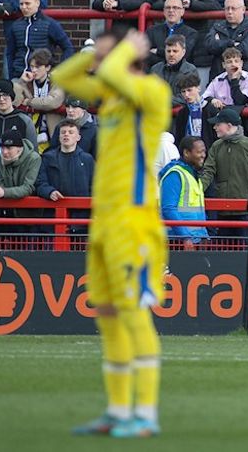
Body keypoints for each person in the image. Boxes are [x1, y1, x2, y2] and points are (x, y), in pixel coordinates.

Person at [55, 30, 172, 438]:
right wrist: (92, 53)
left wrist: (119, 52)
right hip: (104, 221)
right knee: (106, 315)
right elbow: (63, 77)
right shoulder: (114, 94)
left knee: (134, 313)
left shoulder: (151, 90)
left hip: (135, 222)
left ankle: (147, 415)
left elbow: (120, 76)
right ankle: (118, 411)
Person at [196, 106, 248, 240]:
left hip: (245, 210)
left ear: (229, 126)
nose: (215, 127)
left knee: (241, 250)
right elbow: (208, 171)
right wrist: (197, 189)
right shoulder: (216, 146)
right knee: (224, 251)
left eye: (218, 124)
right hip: (223, 209)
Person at [158, 136, 209, 247]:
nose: (203, 155)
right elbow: (168, 208)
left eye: (204, 151)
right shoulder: (175, 174)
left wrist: (203, 234)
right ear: (186, 153)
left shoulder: (193, 175)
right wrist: (185, 237)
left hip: (193, 238)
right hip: (177, 240)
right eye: (199, 152)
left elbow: (198, 208)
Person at [196, 0, 248, 77]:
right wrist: (231, 43)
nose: (230, 12)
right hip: (218, 78)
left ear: (243, 9)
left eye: (233, 8)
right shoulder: (217, 26)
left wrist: (220, 45)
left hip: (245, 79)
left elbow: (247, 51)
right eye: (227, 8)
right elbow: (209, 46)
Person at [13, 48, 67, 150]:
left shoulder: (57, 81)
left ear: (48, 67)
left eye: (37, 67)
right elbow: (14, 102)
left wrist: (29, 102)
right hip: (29, 132)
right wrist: (21, 82)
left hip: (51, 134)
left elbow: (52, 102)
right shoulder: (26, 82)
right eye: (32, 67)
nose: (33, 70)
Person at [36, 119, 95, 208]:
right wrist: (49, 192)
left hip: (81, 213)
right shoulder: (47, 158)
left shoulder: (87, 159)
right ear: (59, 136)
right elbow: (40, 183)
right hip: (54, 210)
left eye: (71, 132)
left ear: (78, 137)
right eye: (63, 132)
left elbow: (94, 186)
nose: (66, 134)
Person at [203, 46, 248, 136]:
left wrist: (234, 80)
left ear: (241, 63)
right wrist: (212, 100)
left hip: (244, 122)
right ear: (223, 65)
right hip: (221, 122)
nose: (233, 64)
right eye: (229, 62)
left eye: (236, 61)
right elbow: (204, 97)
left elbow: (240, 101)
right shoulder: (218, 79)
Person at [146, 0, 199, 69]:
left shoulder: (191, 33)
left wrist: (158, 51)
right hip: (155, 75)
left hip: (180, 77)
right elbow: (146, 55)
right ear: (164, 11)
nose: (171, 10)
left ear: (182, 11)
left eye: (175, 8)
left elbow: (184, 56)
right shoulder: (152, 31)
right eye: (168, 7)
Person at [149, 36, 198, 105]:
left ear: (183, 52)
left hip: (180, 113)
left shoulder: (190, 70)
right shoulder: (155, 69)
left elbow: (186, 97)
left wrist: (161, 100)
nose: (171, 54)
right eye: (168, 51)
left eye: (175, 51)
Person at [0, 78, 34, 145]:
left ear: (11, 97)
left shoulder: (25, 121)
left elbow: (32, 149)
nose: (1, 99)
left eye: (5, 95)